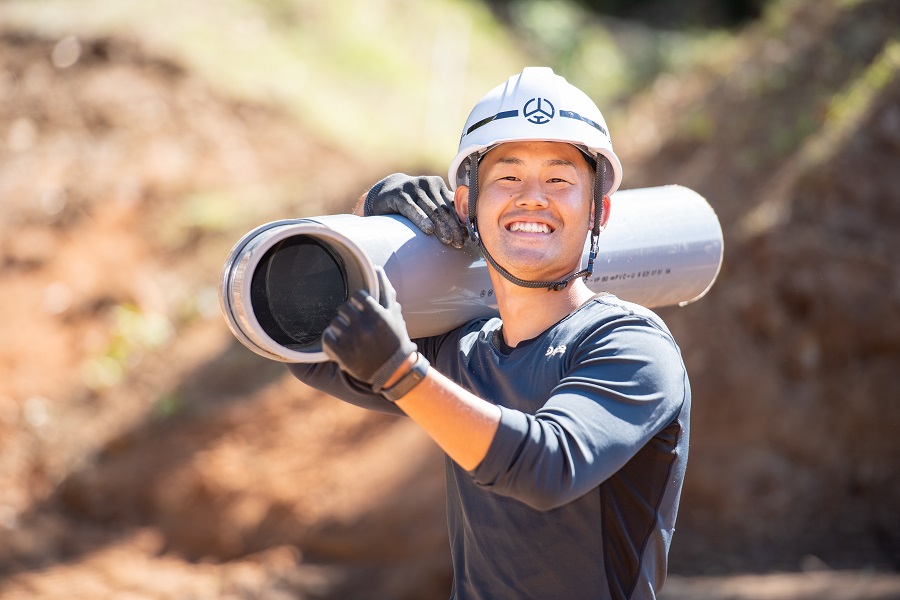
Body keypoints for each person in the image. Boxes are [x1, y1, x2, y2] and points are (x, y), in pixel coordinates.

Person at [288, 67, 690, 600]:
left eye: (559, 179)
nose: (532, 198)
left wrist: (402, 373)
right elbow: (296, 341)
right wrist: (368, 219)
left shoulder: (632, 346)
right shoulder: (463, 352)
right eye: (508, 177)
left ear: (599, 212)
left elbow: (548, 467)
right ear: (465, 205)